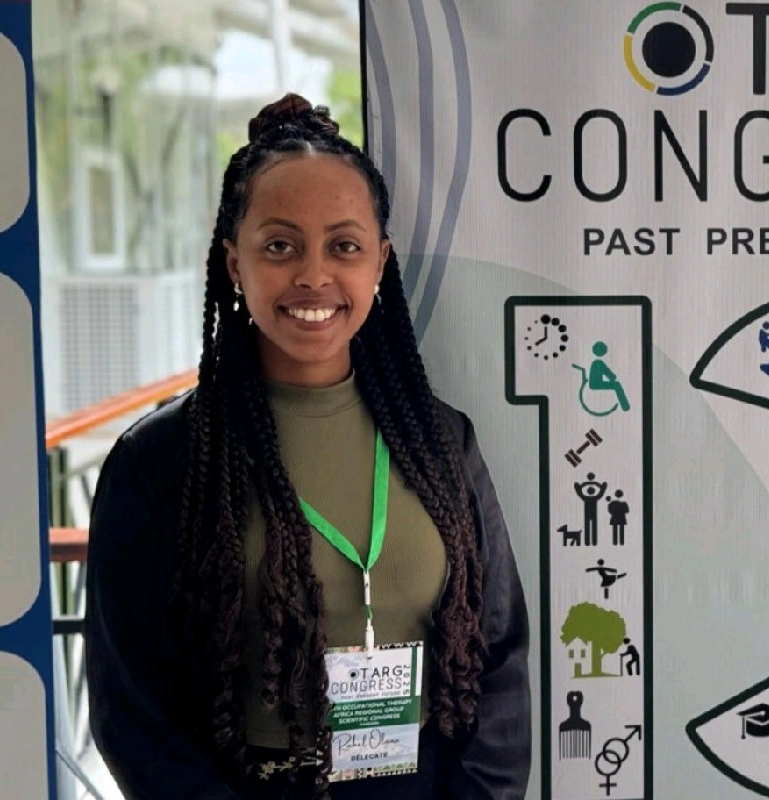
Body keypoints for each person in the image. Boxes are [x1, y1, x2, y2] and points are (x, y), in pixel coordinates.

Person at [85, 94, 530, 800]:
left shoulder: (442, 441)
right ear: (234, 262)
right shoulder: (161, 465)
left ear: (379, 261)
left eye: (344, 246)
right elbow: (132, 713)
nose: (314, 275)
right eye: (280, 246)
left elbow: (500, 655)